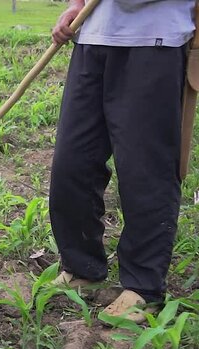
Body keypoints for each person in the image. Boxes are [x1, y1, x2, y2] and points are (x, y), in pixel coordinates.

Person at [49, 0, 195, 323]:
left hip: (154, 40)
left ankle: (143, 286)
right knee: (73, 161)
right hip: (92, 37)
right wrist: (76, 5)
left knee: (145, 169)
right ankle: (81, 266)